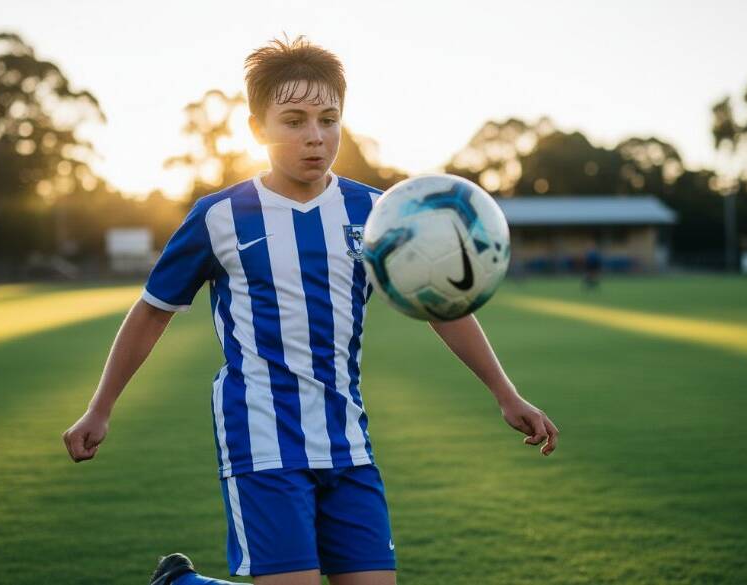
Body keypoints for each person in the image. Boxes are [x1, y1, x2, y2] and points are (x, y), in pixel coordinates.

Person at [62, 36, 559, 585]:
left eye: (328, 119)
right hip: (262, 441)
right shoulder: (219, 217)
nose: (315, 137)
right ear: (258, 129)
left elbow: (442, 307)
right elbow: (152, 312)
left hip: (349, 441)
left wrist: (505, 393)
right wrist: (100, 408)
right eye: (294, 120)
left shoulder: (376, 214)